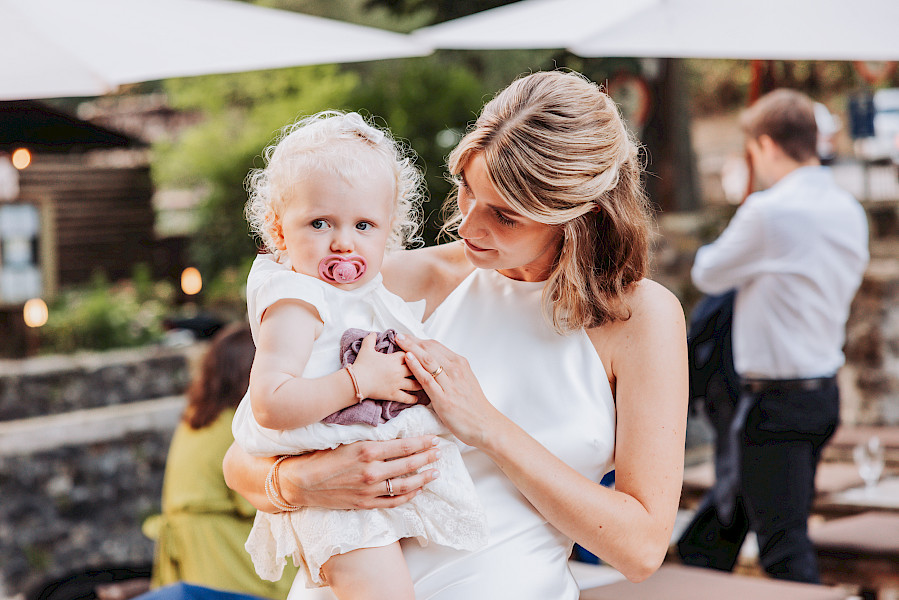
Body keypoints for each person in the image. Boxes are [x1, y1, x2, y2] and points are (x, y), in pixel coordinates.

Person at [224, 70, 689, 600]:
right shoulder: (389, 284)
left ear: (577, 216)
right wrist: (301, 482)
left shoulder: (639, 320)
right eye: (468, 190)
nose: (468, 226)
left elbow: (642, 550)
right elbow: (241, 457)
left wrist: (487, 426)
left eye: (505, 216)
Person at [231, 111, 487, 600]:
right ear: (279, 231)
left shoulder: (358, 293)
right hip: (340, 505)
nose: (344, 241)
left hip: (366, 493)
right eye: (320, 222)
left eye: (364, 224)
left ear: (389, 231)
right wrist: (359, 382)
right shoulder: (294, 300)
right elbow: (270, 404)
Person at [678, 89, 870, 583]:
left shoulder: (769, 211)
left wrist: (747, 204)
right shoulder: (848, 209)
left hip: (774, 406)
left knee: (784, 551)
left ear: (764, 146)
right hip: (822, 395)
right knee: (718, 530)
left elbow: (707, 273)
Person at [144, 323, 297, 599]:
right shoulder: (239, 427)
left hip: (192, 552)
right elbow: (262, 496)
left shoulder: (197, 418)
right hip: (222, 550)